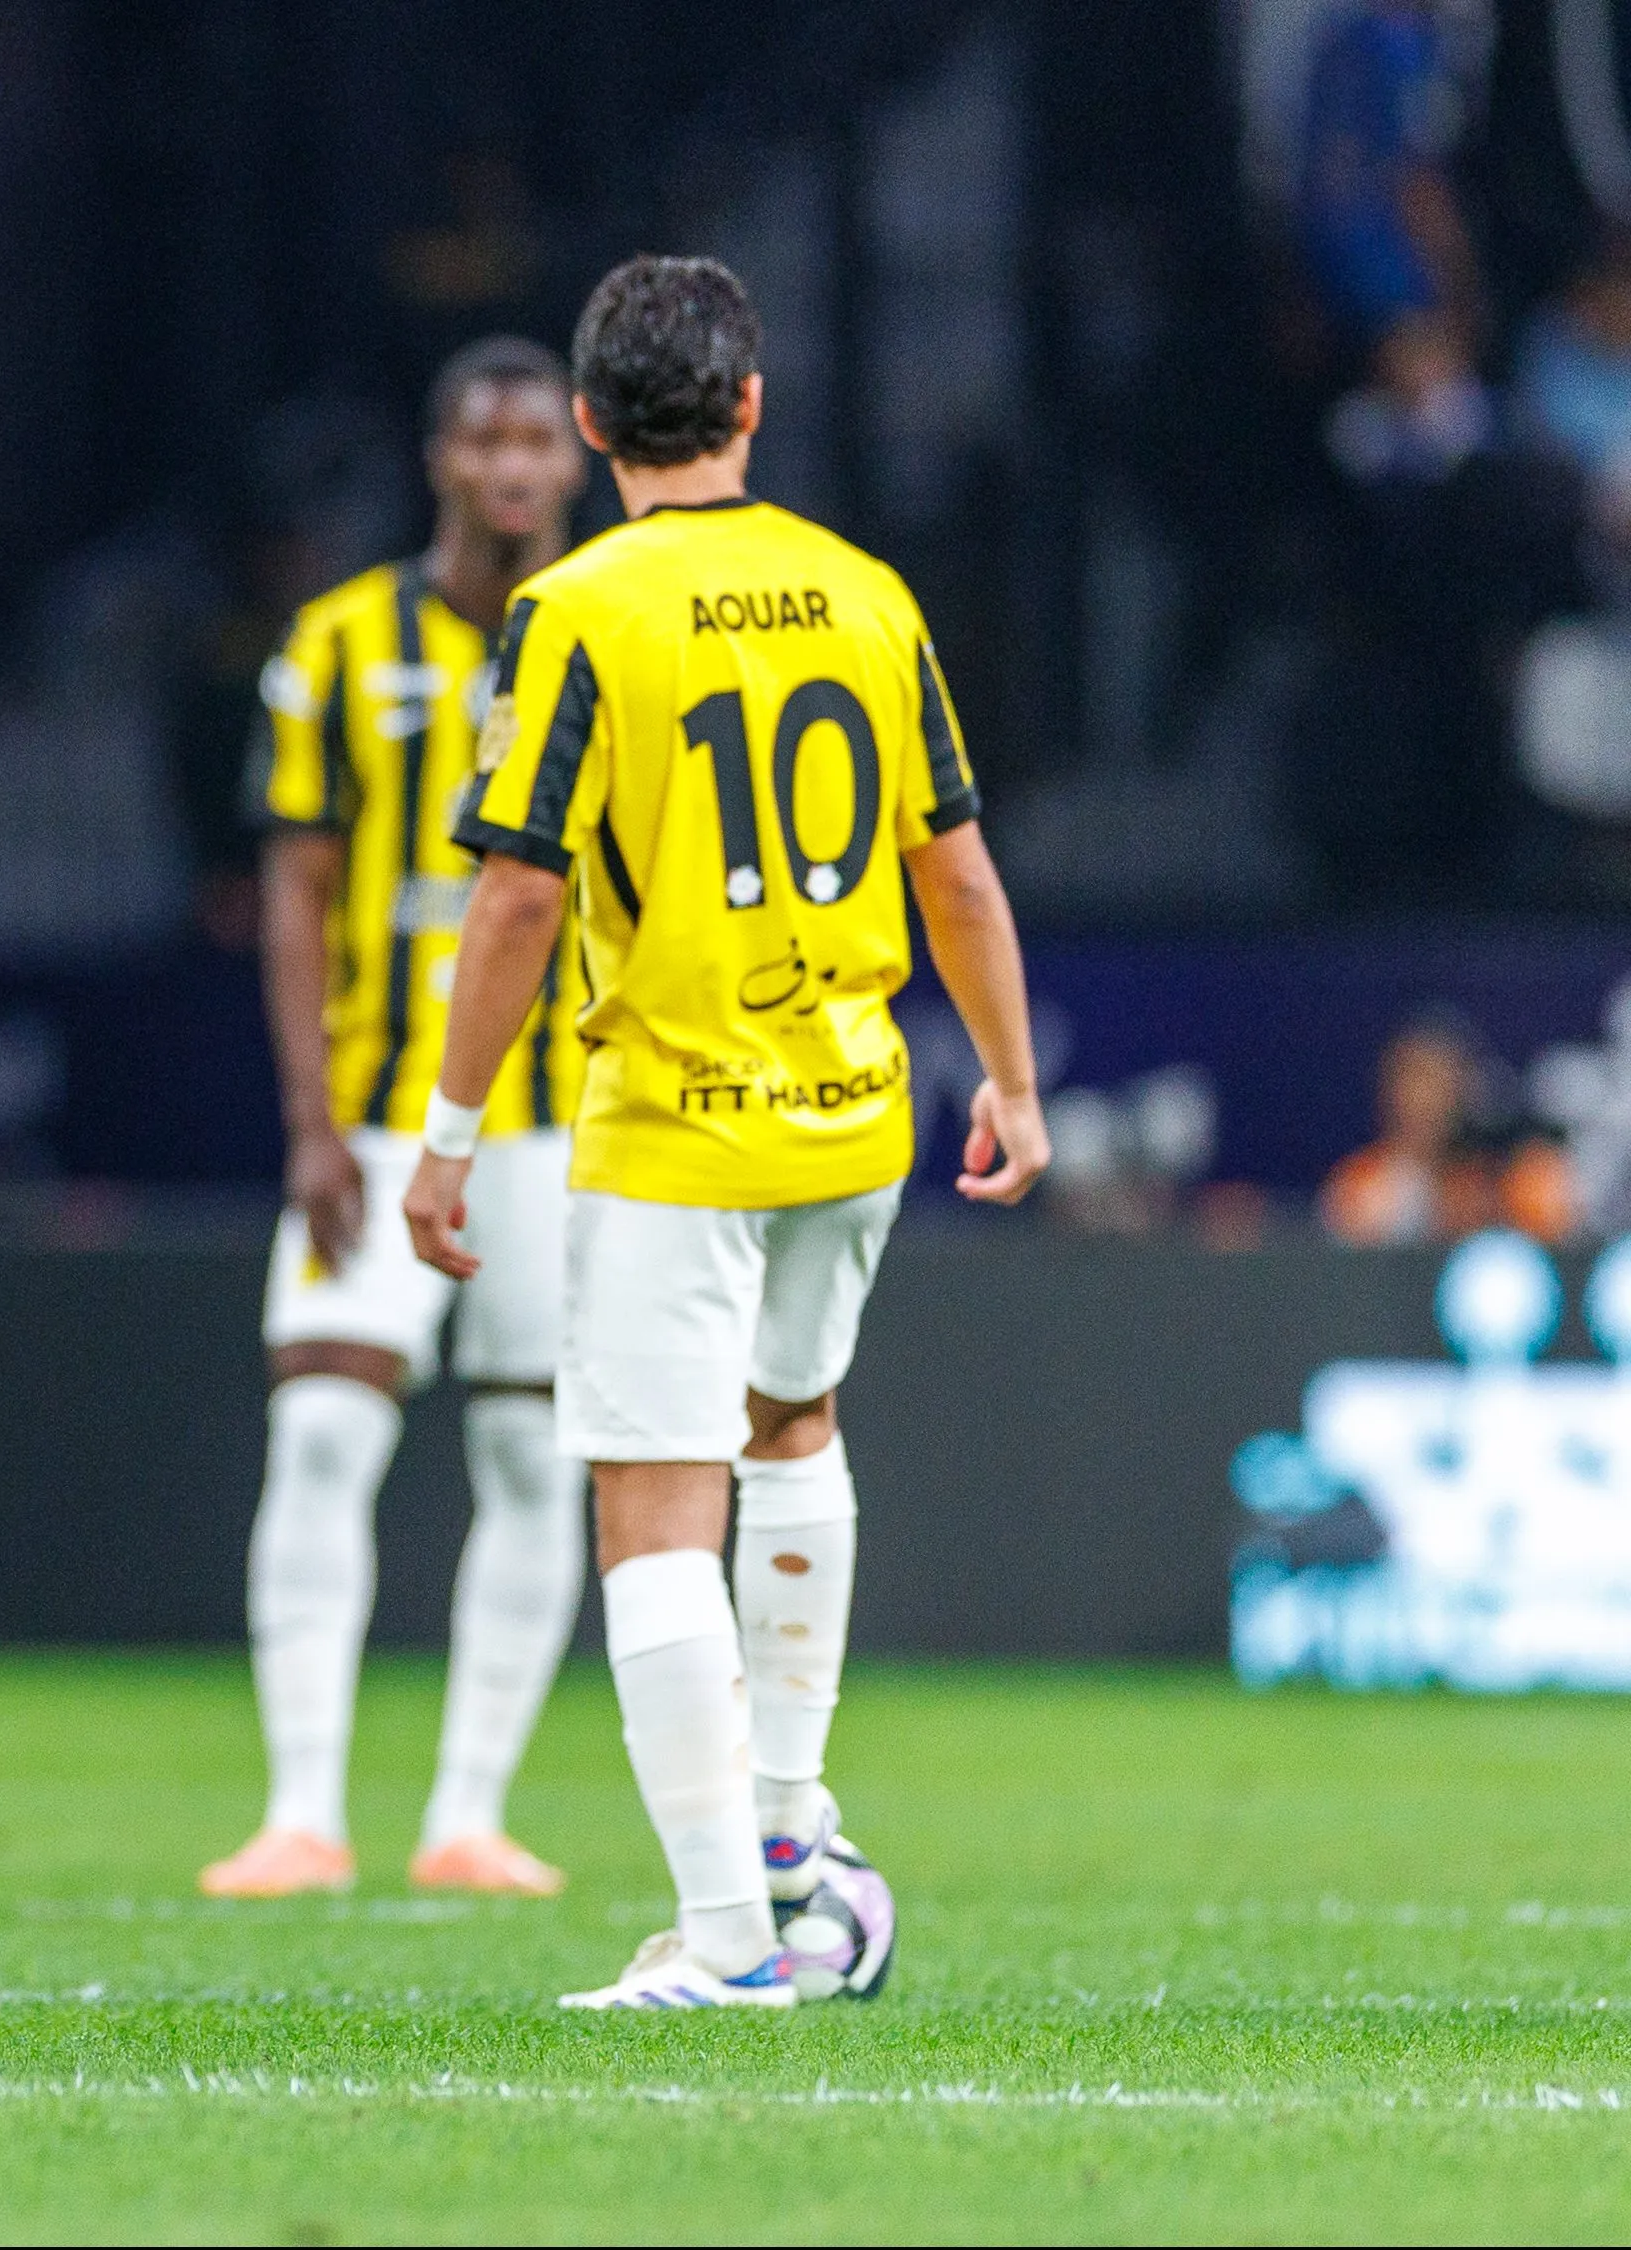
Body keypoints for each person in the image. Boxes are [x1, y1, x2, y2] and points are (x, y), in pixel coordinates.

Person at [406, 256, 1049, 2009]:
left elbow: (521, 900)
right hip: (853, 1117)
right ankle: (782, 1834)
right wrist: (1007, 1077)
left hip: (675, 1125)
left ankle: (726, 1939)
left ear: (596, 423)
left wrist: (452, 1132)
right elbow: (959, 868)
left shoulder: (582, 612)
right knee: (798, 1427)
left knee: (653, 1513)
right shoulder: (862, 591)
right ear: (752, 407)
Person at [200, 337, 593, 1906]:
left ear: (573, 462)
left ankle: (469, 1813)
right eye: (484, 441)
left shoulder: (613, 630)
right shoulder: (340, 643)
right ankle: (303, 1810)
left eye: (537, 444)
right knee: (320, 1432)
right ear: (440, 455)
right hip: (368, 1114)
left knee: (529, 1454)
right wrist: (308, 1116)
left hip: (561, 1130)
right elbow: (293, 891)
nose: (510, 470)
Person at [1319, 1018, 1578, 1245]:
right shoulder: (1361, 1185)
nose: (1424, 1099)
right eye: (1414, 1080)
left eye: (1438, 1080)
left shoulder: (1507, 1173)